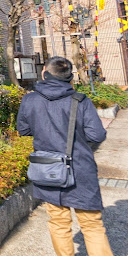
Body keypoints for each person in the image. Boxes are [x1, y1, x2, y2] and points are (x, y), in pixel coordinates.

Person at [17, 56, 112, 256]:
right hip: (80, 169)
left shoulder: (30, 99)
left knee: (58, 222)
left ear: (45, 73)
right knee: (92, 225)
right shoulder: (80, 101)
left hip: (48, 168)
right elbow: (97, 134)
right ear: (69, 77)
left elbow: (23, 130)